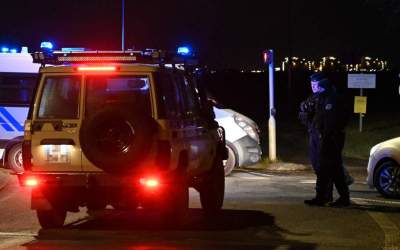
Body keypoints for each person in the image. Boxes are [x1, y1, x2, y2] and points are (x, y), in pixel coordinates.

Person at [300, 73, 351, 207]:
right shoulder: (319, 99)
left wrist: (326, 137)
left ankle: (330, 197)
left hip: (329, 138)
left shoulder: (331, 100)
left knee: (330, 168)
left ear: (324, 87)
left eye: (318, 86)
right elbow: (307, 112)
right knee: (325, 168)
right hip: (321, 136)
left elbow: (330, 122)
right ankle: (326, 196)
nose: (315, 89)